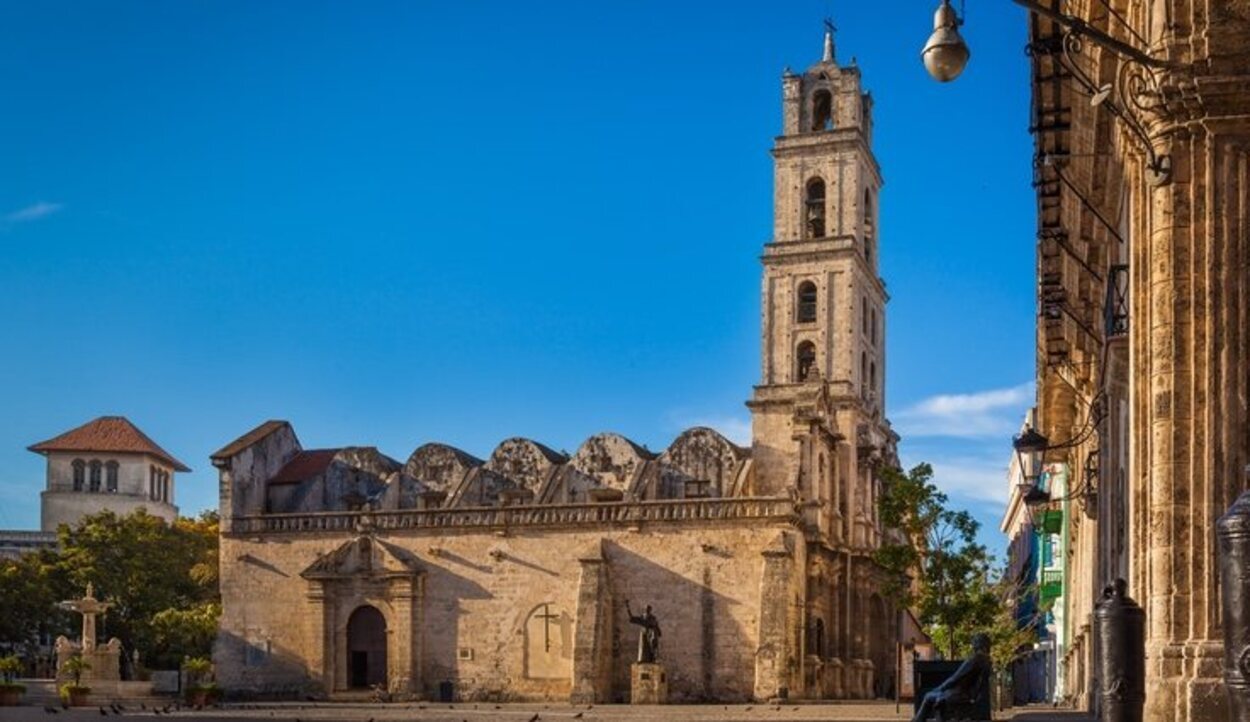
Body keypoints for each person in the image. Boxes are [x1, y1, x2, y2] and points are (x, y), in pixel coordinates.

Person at [911, 633, 992, 722]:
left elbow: (954, 678)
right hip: (969, 694)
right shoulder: (986, 661)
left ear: (976, 644)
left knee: (928, 696)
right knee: (934, 696)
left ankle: (917, 720)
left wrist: (939, 689)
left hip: (960, 694)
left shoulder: (973, 660)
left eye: (974, 642)